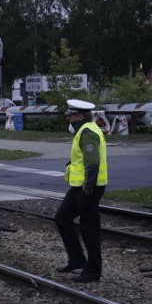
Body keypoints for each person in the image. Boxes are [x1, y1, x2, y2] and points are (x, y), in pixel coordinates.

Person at [55, 99, 107, 283]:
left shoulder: (87, 132)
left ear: (79, 115)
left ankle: (93, 271)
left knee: (89, 228)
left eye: (71, 116)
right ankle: (77, 259)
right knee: (62, 218)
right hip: (79, 187)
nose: (69, 119)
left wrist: (87, 188)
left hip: (89, 188)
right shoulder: (82, 131)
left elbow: (92, 162)